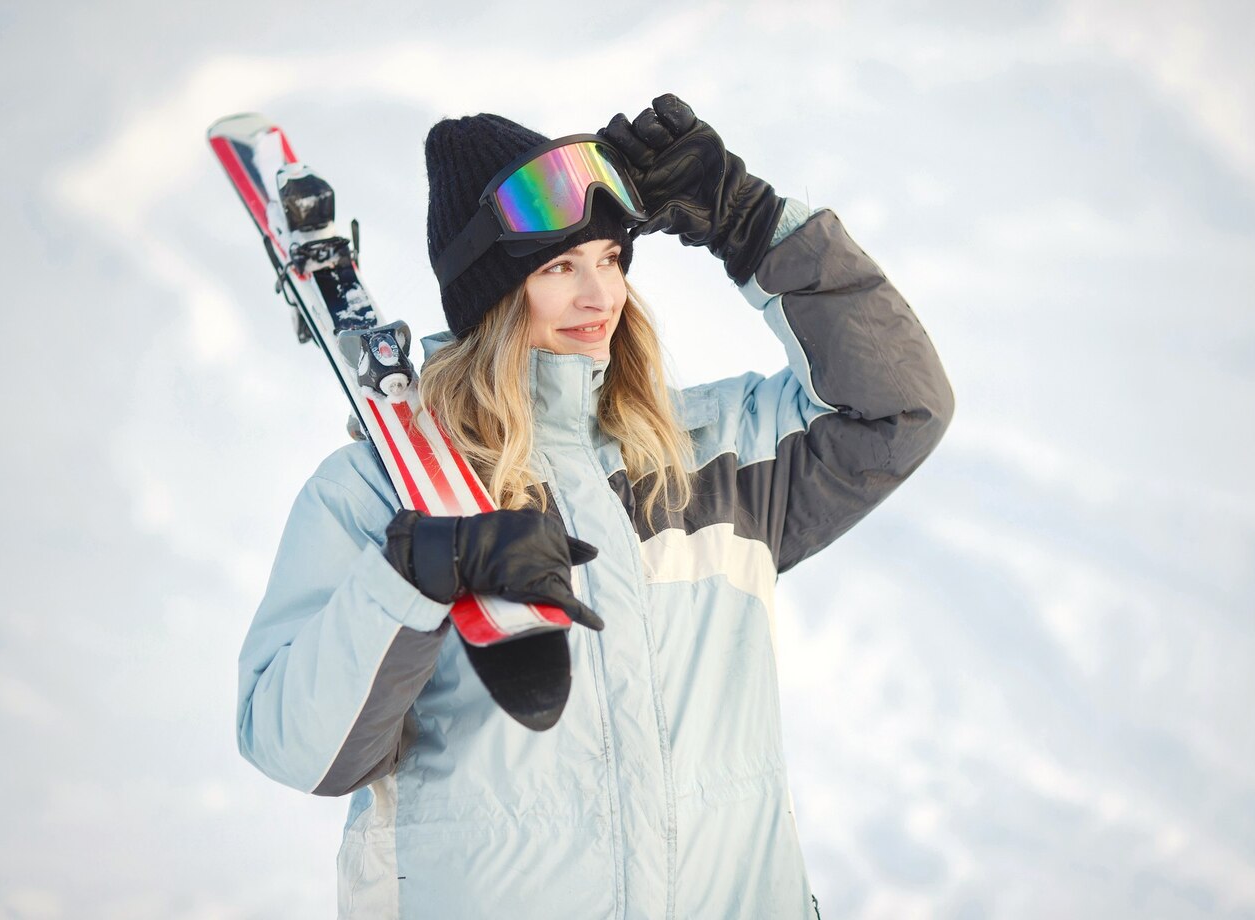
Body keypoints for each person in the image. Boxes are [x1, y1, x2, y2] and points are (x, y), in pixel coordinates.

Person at [237, 93, 954, 919]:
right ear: (493, 300)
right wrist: (414, 575)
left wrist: (748, 220)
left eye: (610, 258)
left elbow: (901, 404)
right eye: (558, 268)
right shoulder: (380, 493)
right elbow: (295, 746)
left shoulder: (710, 457)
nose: (598, 295)